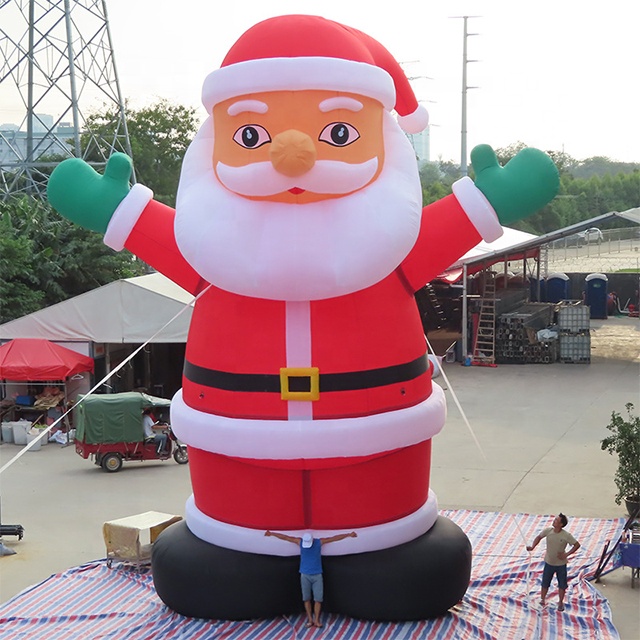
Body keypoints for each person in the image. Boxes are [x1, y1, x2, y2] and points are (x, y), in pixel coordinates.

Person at [265, 530, 357, 627]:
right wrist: (272, 534)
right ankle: (310, 619)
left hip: (317, 574)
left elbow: (334, 538)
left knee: (318, 599)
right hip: (305, 574)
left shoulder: (319, 542)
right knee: (306, 598)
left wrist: (348, 535)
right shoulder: (300, 542)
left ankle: (316, 620)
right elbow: (285, 537)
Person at [526, 513, 581, 611]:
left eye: (556, 520)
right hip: (549, 562)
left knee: (562, 584)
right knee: (545, 582)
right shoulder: (548, 531)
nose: (554, 521)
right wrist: (532, 547)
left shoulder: (566, 535)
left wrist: (566, 554)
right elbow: (538, 537)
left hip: (561, 564)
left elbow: (576, 545)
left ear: (561, 524)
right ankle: (542, 599)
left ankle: (560, 602)